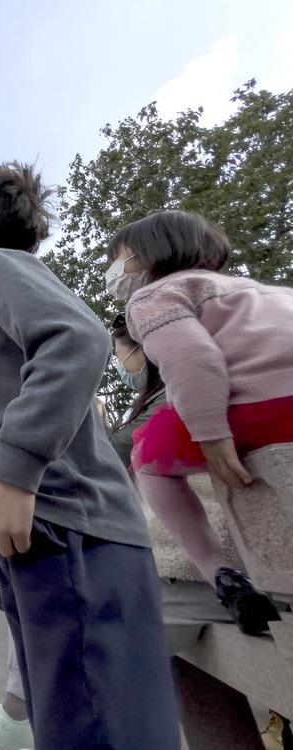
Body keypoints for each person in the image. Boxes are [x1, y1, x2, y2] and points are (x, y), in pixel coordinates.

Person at [0, 160, 179, 748]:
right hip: (48, 526)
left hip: (65, 522)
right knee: (68, 717)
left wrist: (12, 475)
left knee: (93, 725)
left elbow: (78, 337)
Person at [108, 210, 292, 634]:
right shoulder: (260, 290)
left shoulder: (153, 296)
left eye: (117, 259)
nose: (113, 272)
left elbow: (194, 359)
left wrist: (210, 433)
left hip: (253, 408)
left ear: (143, 256)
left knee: (147, 456)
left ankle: (220, 572)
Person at [108, 314, 168, 468]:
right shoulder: (161, 393)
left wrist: (97, 416)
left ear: (141, 349)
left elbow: (123, 446)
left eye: (118, 355)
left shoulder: (170, 396)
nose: (120, 365)